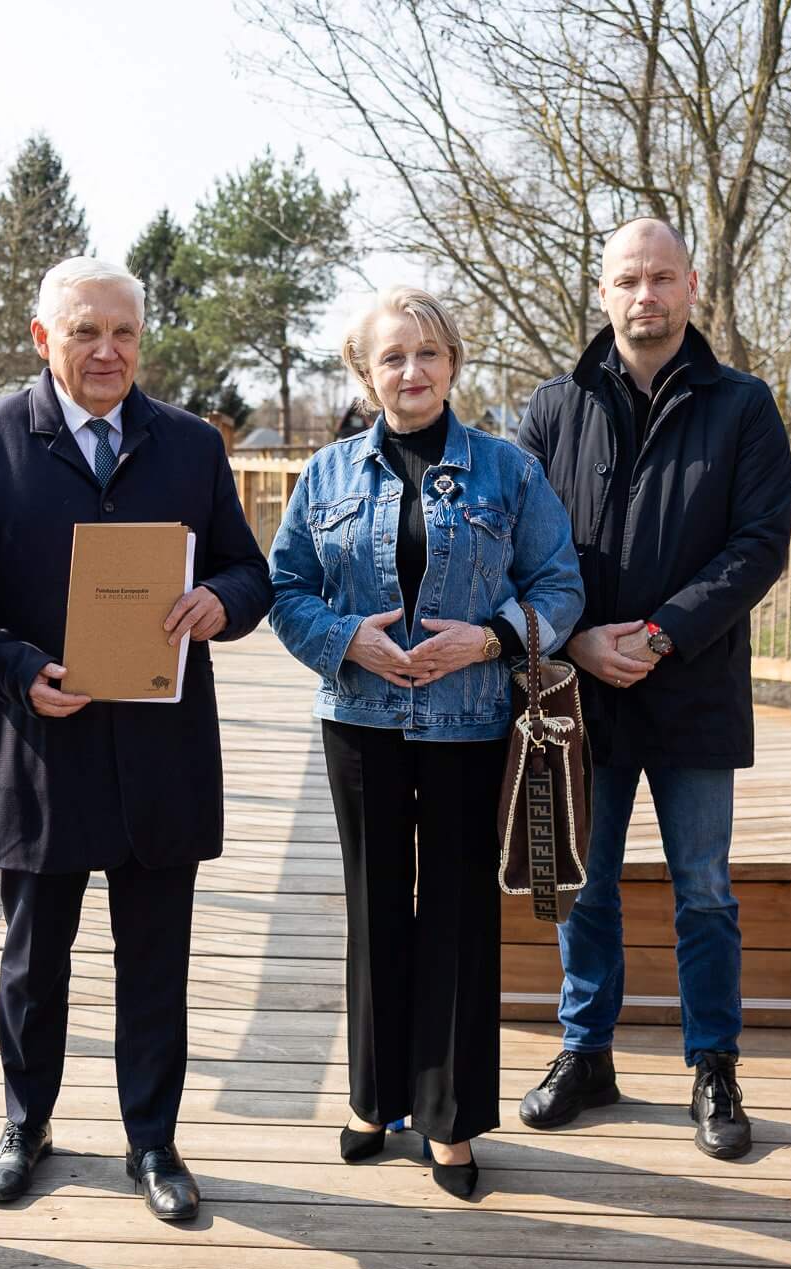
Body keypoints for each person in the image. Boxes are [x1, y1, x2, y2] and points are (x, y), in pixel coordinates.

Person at [0, 257, 273, 1222]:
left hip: (162, 755)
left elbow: (252, 573)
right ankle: (24, 1123)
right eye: (84, 332)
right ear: (43, 339)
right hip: (41, 748)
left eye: (122, 333)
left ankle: (152, 1141)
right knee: (36, 961)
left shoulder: (191, 446)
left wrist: (220, 602)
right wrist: (15, 668)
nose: (106, 351)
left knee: (156, 959)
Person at [268, 286, 583, 1198]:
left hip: (471, 722)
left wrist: (486, 639)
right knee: (372, 909)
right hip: (358, 721)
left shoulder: (509, 472)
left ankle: (448, 1119)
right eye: (393, 357)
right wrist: (345, 639)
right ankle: (374, 1098)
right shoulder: (323, 476)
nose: (413, 372)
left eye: (430, 354)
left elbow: (559, 588)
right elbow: (286, 588)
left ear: (454, 364)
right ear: (365, 372)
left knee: (454, 914)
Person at [512, 217, 791, 1160]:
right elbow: (517, 546)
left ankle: (713, 1066)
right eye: (628, 279)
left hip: (694, 690)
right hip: (578, 692)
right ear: (603, 291)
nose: (646, 296)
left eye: (662, 278)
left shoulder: (743, 406)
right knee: (579, 886)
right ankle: (586, 1052)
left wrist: (663, 633)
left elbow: (758, 546)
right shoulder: (552, 408)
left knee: (704, 890)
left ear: (692, 286)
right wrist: (577, 639)